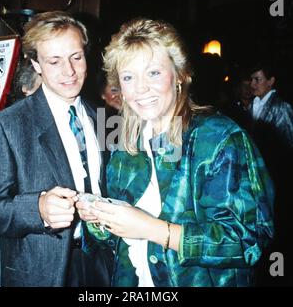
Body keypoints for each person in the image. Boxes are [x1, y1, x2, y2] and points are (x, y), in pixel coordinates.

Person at [77, 18, 274, 287]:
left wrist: (152, 229)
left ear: (180, 75)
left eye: (153, 73)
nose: (140, 88)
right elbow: (117, 240)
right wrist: (99, 220)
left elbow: (247, 241)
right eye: (128, 77)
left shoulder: (219, 139)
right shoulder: (126, 146)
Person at [0, 11, 113, 287]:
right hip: (40, 271)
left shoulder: (103, 119)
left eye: (76, 57)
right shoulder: (6, 125)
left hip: (101, 266)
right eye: (54, 61)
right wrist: (37, 208)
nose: (69, 71)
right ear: (35, 64)